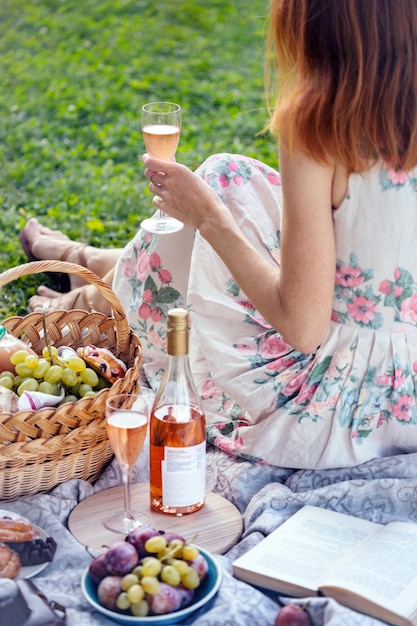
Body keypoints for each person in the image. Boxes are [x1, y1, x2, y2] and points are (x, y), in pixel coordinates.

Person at [21, 0, 417, 469]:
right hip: (408, 390)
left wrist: (207, 215)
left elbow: (304, 329)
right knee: (231, 176)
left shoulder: (323, 119)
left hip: (340, 403)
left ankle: (89, 294)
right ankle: (95, 262)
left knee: (216, 191)